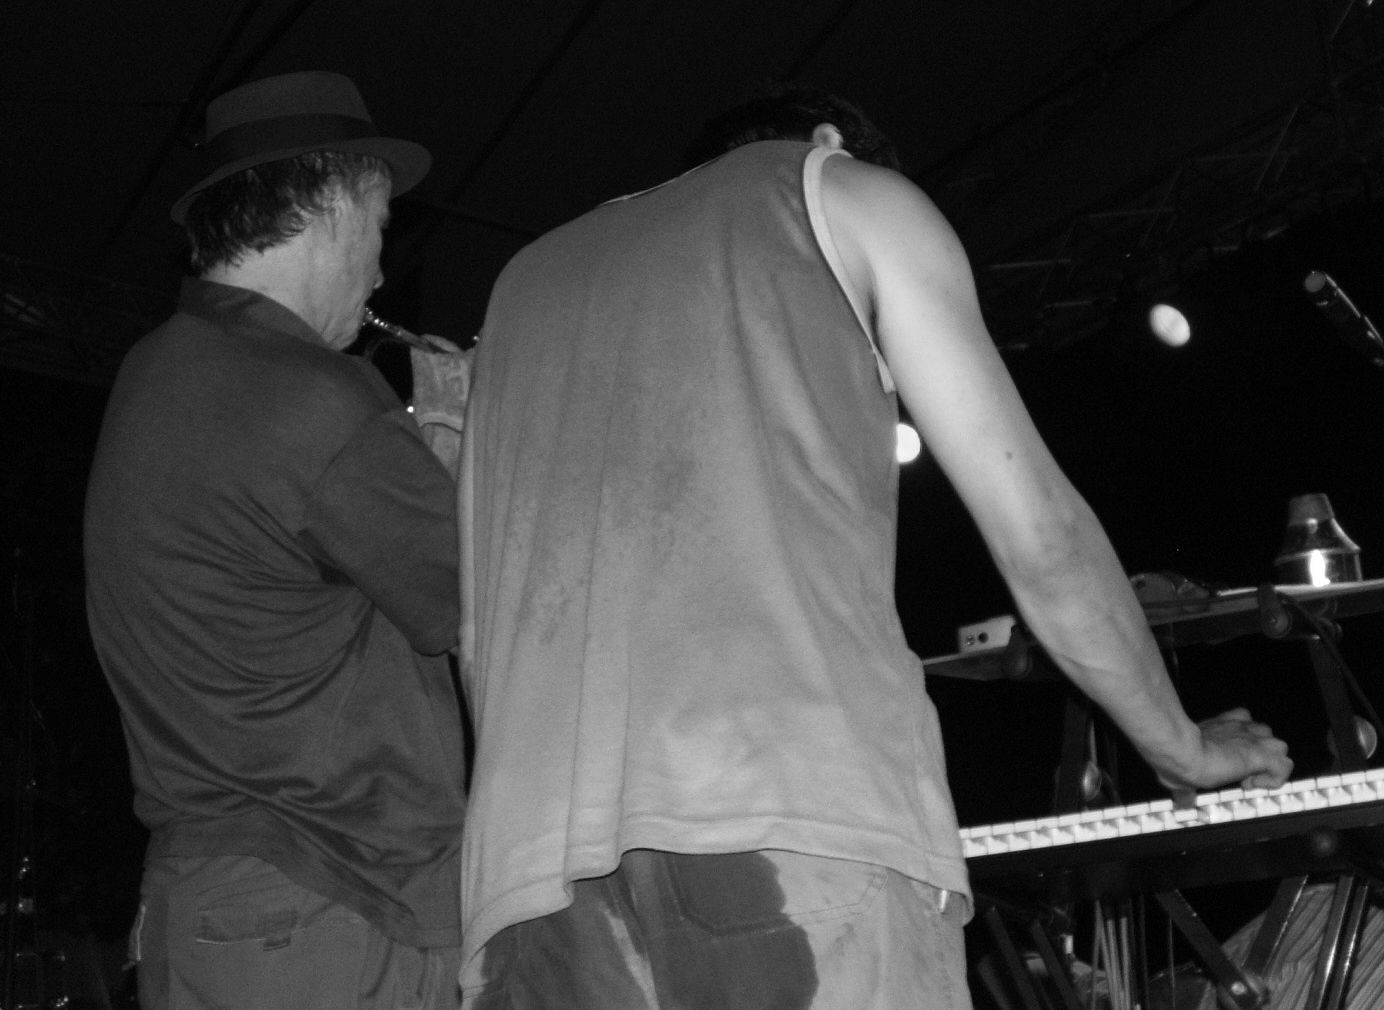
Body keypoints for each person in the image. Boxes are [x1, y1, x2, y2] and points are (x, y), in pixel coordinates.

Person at [453, 84, 1295, 1008]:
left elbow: (474, 626)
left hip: (526, 878)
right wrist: (1182, 749)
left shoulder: (522, 282)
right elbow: (1042, 536)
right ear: (828, 143)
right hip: (792, 823)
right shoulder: (842, 191)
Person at [83, 71, 468, 1009]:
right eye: (378, 228)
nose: (380, 273)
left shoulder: (153, 370)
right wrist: (466, 440)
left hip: (206, 898)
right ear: (332, 203)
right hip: (329, 903)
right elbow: (480, 591)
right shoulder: (316, 396)